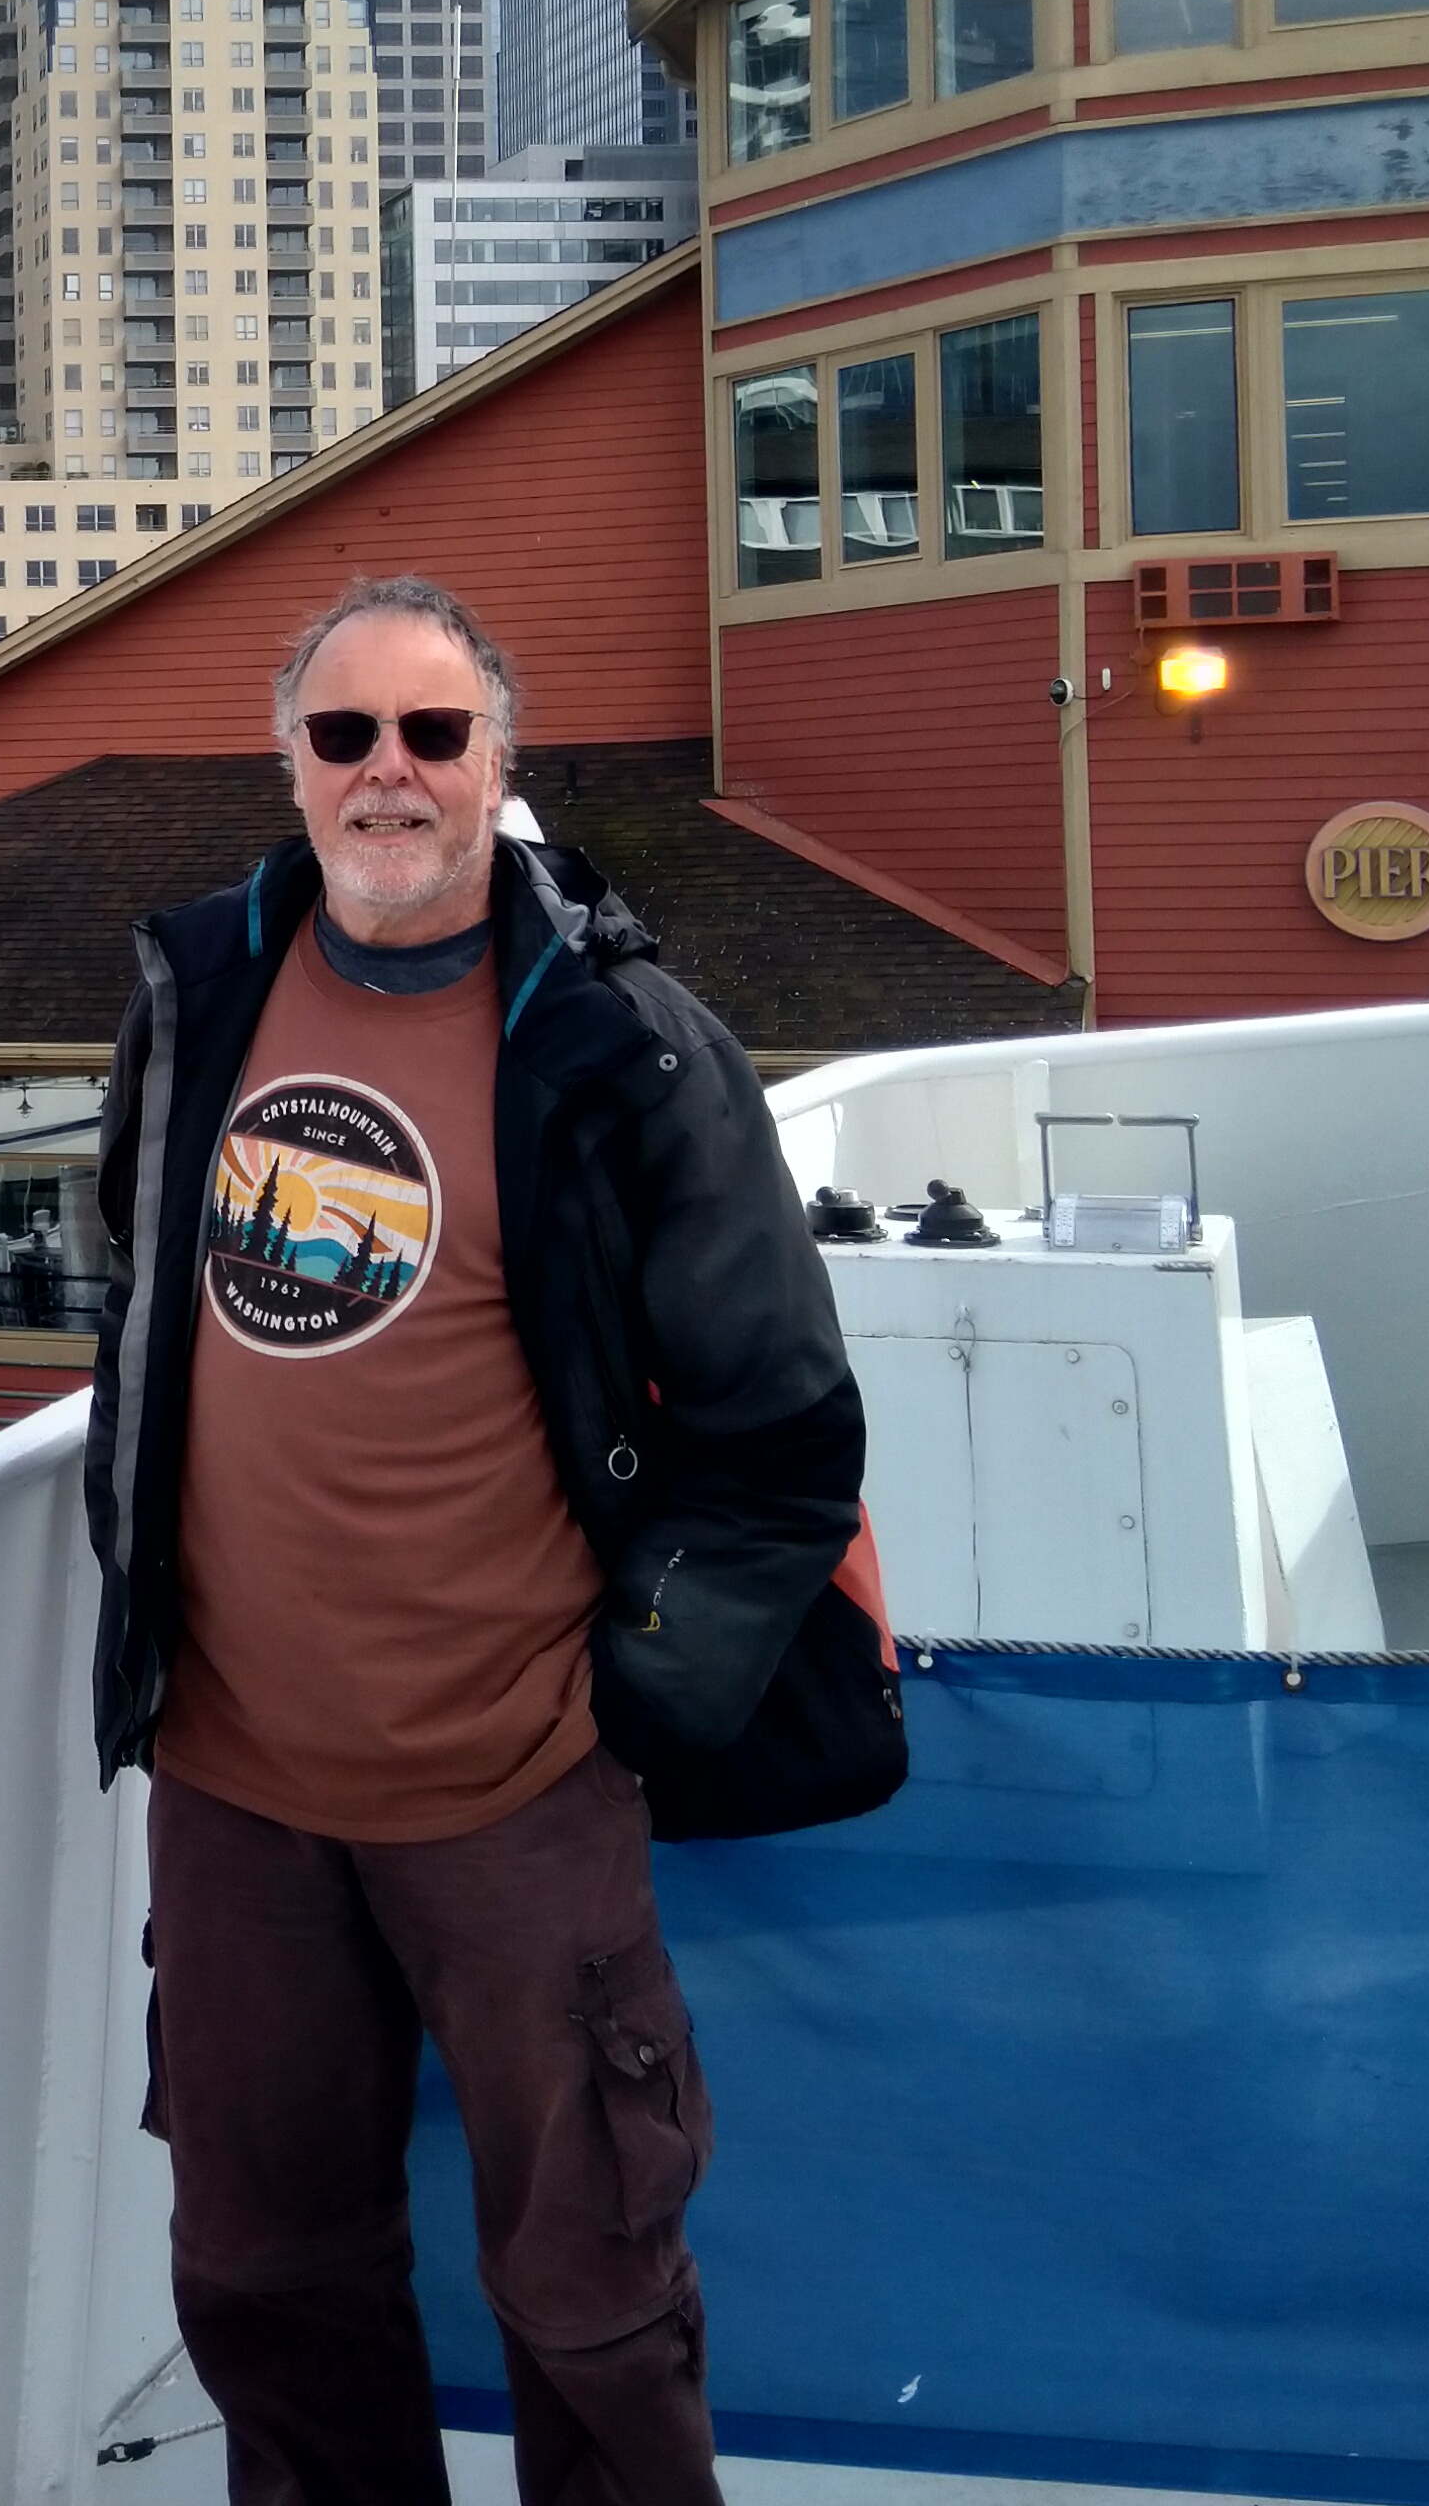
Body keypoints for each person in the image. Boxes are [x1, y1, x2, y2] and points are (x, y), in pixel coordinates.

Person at [85, 574, 887, 2506]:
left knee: (593, 2291)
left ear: (498, 763)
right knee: (263, 2279)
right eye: (344, 734)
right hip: (233, 1787)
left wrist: (632, 1698)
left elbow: (785, 1433)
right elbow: (131, 1302)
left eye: (432, 733)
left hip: (519, 1788)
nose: (389, 772)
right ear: (291, 766)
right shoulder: (197, 995)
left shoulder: (628, 1044)